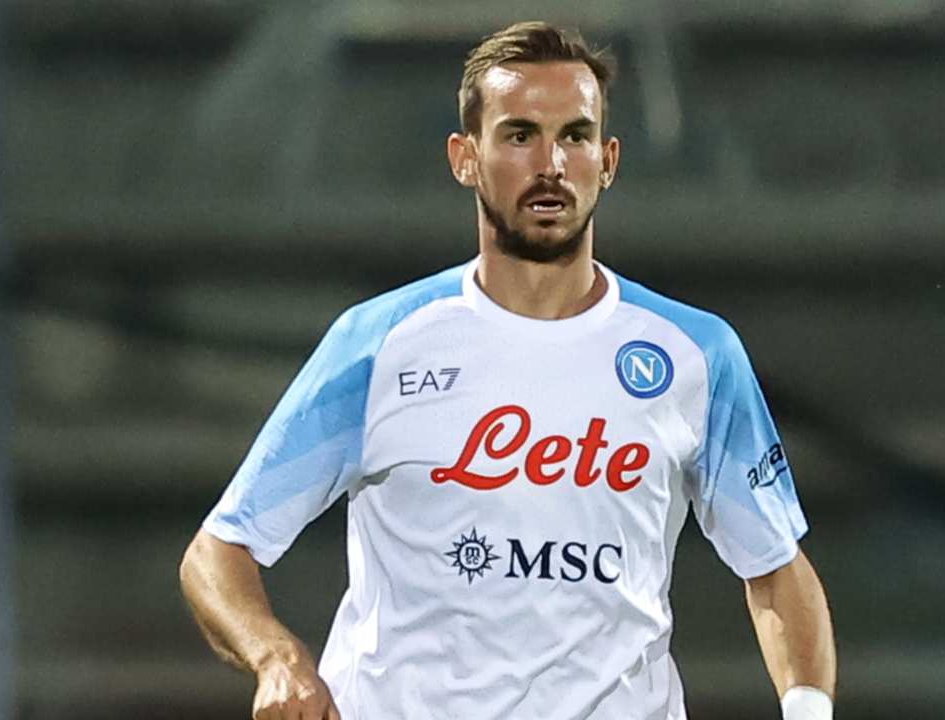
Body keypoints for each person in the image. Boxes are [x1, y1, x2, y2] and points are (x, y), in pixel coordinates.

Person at [180, 20, 836, 720]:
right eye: (520, 135)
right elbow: (218, 551)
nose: (551, 163)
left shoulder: (694, 355)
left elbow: (775, 567)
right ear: (464, 157)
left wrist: (808, 711)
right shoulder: (379, 345)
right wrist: (277, 659)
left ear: (608, 160)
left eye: (575, 136)